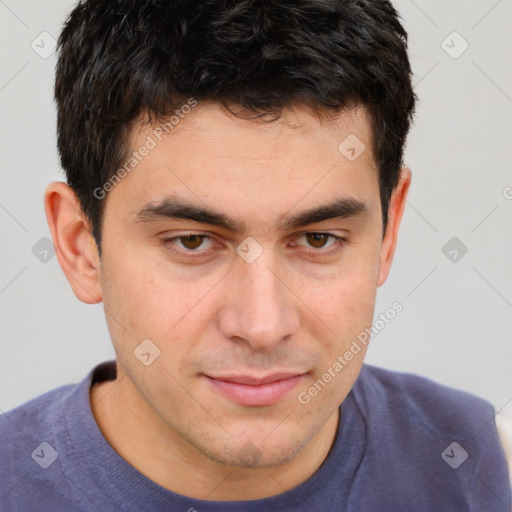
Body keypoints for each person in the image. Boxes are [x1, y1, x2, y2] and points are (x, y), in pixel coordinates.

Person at [1, 0, 510, 510]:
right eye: (192, 241)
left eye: (318, 239)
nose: (262, 326)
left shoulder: (487, 471)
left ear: (388, 232)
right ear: (80, 246)